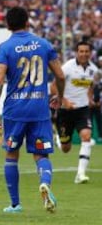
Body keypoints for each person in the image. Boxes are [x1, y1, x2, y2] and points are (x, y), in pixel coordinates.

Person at [0, 6, 65, 213]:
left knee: (11, 155)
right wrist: (58, 95)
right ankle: (45, 183)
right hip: (39, 109)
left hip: (15, 110)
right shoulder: (43, 44)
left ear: (7, 25)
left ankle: (15, 204)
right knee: (41, 156)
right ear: (27, 22)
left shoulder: (5, 47)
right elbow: (60, 75)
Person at [50, 41, 98, 184]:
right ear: (76, 52)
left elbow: (90, 86)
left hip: (82, 110)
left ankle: (80, 174)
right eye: (81, 51)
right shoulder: (67, 67)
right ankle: (59, 138)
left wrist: (89, 99)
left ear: (90, 53)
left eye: (86, 51)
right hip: (65, 111)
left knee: (86, 136)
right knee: (66, 148)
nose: (84, 54)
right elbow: (53, 87)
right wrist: (64, 101)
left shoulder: (94, 70)